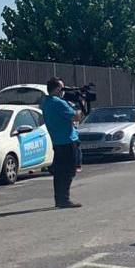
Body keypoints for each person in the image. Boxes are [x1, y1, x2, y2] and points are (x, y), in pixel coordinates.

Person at [41, 77, 82, 209]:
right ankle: (64, 199)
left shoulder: (46, 102)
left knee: (59, 172)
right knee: (69, 170)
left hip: (57, 141)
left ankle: (59, 198)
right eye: (62, 88)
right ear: (58, 89)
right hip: (67, 141)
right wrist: (80, 104)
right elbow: (76, 116)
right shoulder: (59, 103)